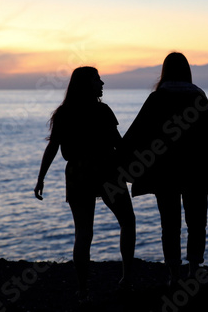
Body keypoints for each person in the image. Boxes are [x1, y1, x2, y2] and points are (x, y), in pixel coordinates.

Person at [119, 52, 208, 285]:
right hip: (196, 171)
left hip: (164, 173)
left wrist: (119, 163)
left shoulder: (157, 98)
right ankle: (192, 271)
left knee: (169, 226)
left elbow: (137, 134)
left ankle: (173, 276)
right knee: (197, 223)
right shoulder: (198, 96)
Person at [34, 66, 136, 302]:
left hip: (78, 174)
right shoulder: (102, 111)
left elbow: (53, 147)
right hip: (107, 172)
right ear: (86, 84)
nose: (102, 83)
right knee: (127, 221)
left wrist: (41, 178)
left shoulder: (63, 113)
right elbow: (119, 145)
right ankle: (127, 279)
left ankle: (82, 290)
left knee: (83, 232)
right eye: (97, 80)